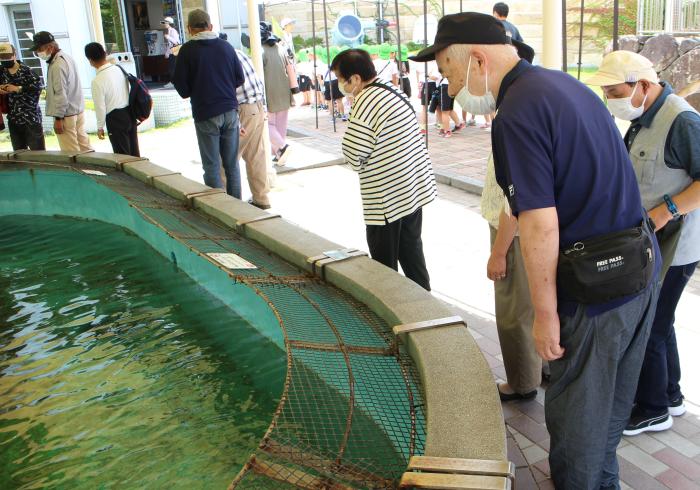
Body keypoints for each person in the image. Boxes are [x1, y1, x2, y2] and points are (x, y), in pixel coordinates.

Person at [412, 12, 660, 488]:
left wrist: (545, 314)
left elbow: (540, 223)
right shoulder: (563, 86)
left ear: (478, 59)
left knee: (577, 426)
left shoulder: (518, 113)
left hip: (593, 289)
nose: (450, 86)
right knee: (607, 413)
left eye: (448, 72)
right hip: (637, 268)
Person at [588, 51, 700, 436]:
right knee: (662, 320)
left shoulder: (681, 120)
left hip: (675, 245)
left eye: (614, 90)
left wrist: (666, 211)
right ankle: (670, 395)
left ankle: (652, 408)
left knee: (650, 323)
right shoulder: (642, 117)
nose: (610, 99)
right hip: (650, 241)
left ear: (643, 85)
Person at [332, 49, 436, 290]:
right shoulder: (392, 91)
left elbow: (352, 152)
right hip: (411, 190)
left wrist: (358, 163)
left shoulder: (367, 101)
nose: (340, 84)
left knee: (383, 265)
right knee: (411, 252)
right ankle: (425, 305)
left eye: (341, 78)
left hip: (386, 199)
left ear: (355, 78)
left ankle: (391, 313)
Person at [481, 154, 541, 401]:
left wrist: (498, 253)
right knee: (534, 304)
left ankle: (522, 382)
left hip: (514, 234)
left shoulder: (517, 125)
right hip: (539, 229)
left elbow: (513, 201)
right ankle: (541, 367)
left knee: (515, 311)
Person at [173, 9, 244, 198]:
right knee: (232, 165)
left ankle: (219, 210)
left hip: (205, 113)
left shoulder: (187, 51)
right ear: (210, 26)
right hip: (230, 111)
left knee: (212, 167)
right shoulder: (226, 47)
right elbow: (239, 78)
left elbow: (182, 90)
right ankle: (238, 208)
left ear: (189, 29)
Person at [32, 31, 92, 152]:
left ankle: (78, 171)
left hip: (66, 115)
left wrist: (58, 119)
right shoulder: (66, 57)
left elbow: (60, 93)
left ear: (50, 47)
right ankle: (96, 169)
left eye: (39, 49)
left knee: (70, 152)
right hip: (77, 110)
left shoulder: (57, 65)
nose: (37, 53)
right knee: (85, 148)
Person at [84, 42, 139, 157]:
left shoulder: (97, 81)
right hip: (129, 113)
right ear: (105, 54)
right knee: (134, 152)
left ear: (90, 60)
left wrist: (100, 127)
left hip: (115, 118)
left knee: (122, 156)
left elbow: (100, 106)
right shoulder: (118, 69)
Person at [235, 48, 271, 210]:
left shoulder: (225, 57)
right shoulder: (239, 53)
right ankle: (261, 198)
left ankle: (229, 204)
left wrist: (236, 121)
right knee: (256, 156)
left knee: (227, 160)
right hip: (257, 106)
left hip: (243, 109)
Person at [0, 43, 45, 150]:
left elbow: (38, 87)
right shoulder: (2, 71)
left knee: (38, 153)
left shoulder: (27, 70)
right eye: (1, 57)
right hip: (13, 118)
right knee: (19, 152)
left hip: (31, 118)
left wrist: (17, 88)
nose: (4, 60)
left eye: (7, 57)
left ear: (14, 55)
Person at [260, 21, 294, 164]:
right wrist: (294, 89)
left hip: (270, 93)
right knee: (281, 126)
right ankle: (280, 154)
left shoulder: (260, 51)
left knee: (268, 125)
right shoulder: (280, 48)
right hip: (285, 92)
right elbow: (290, 68)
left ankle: (282, 147)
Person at [161, 16, 180, 89]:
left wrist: (168, 37)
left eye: (165, 22)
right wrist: (167, 52)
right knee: (171, 68)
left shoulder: (173, 31)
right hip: (172, 52)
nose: (164, 24)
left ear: (169, 23)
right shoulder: (169, 31)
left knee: (172, 68)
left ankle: (173, 82)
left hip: (174, 53)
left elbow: (176, 42)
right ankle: (173, 82)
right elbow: (170, 44)